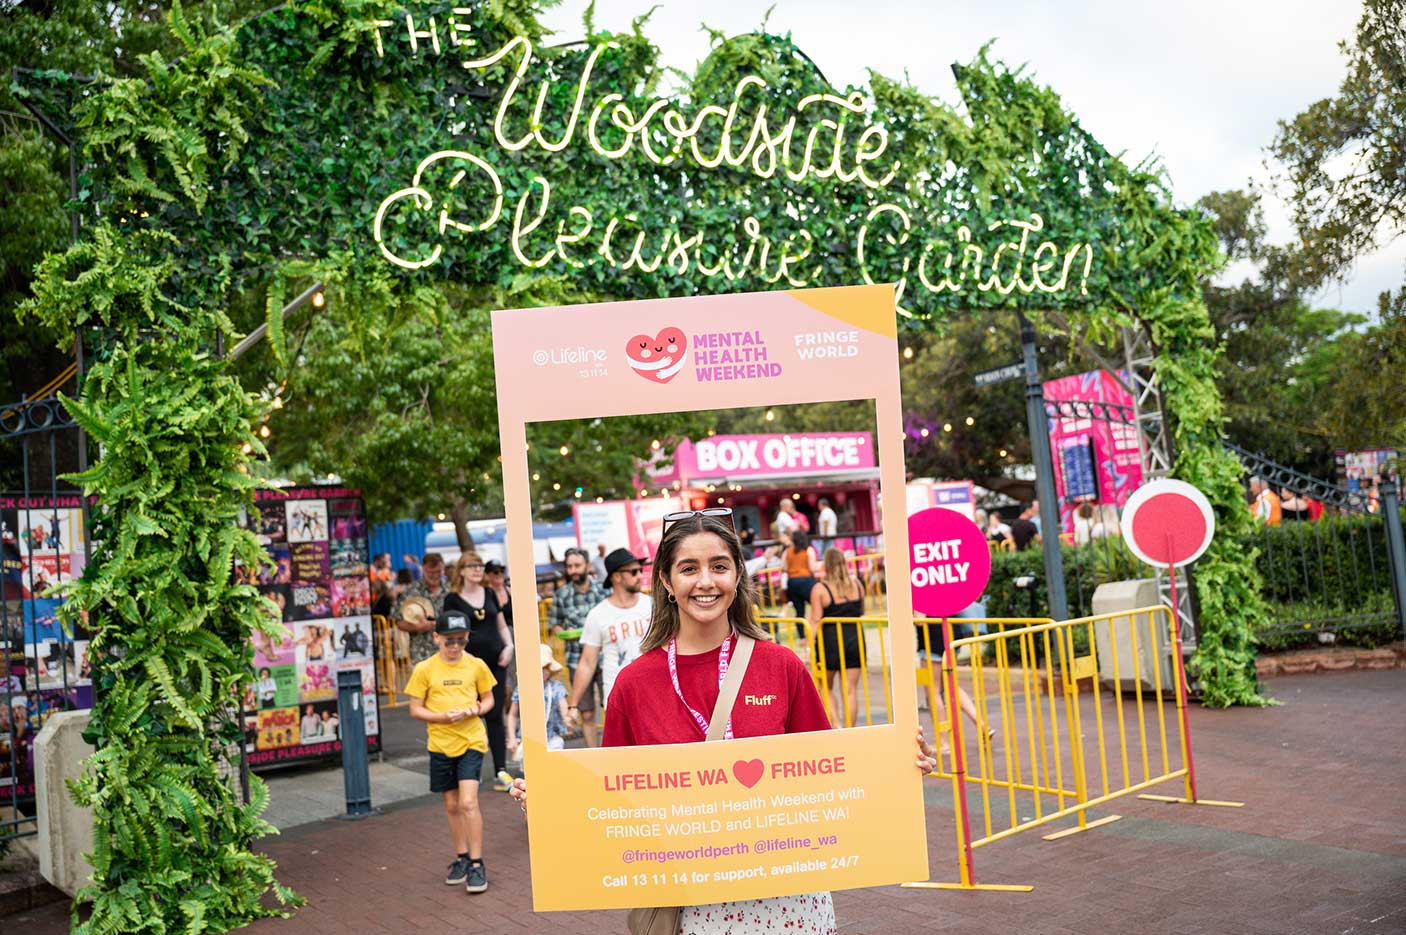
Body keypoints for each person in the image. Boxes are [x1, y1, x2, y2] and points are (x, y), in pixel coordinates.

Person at [509, 509, 937, 933]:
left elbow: (829, 773)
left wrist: (896, 765)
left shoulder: (781, 666)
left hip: (789, 900)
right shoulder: (633, 685)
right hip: (688, 906)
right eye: (688, 568)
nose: (706, 582)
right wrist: (556, 802)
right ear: (665, 581)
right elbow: (611, 798)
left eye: (719, 566)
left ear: (737, 575)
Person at [405, 609, 498, 895]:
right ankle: (461, 856)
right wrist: (443, 717)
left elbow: (489, 700)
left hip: (471, 740)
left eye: (461, 640)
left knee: (469, 803)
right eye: (449, 641)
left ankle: (477, 863)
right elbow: (415, 708)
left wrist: (475, 710)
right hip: (440, 743)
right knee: (452, 805)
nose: (456, 647)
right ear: (436, 638)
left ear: (468, 637)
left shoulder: (477, 665)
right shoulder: (424, 669)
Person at [443, 552, 516, 791]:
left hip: (495, 664)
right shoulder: (453, 599)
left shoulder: (490, 593)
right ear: (461, 571)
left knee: (495, 715)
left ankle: (500, 770)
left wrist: (509, 646)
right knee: (467, 716)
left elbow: (501, 624)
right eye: (471, 566)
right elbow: (450, 635)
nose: (477, 569)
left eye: (479, 566)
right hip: (467, 668)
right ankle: (468, 771)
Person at [568, 549, 651, 729]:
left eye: (640, 570)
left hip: (653, 693)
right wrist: (573, 705)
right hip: (618, 699)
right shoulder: (598, 615)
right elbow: (587, 663)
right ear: (617, 577)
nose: (640, 576)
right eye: (634, 572)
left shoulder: (652, 606)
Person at [546, 548, 607, 746]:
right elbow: (555, 625)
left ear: (587, 566)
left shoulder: (602, 591)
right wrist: (562, 632)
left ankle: (616, 753)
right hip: (576, 660)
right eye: (569, 566)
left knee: (613, 708)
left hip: (605, 658)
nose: (573, 570)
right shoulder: (561, 595)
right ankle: (594, 756)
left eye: (577, 565)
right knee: (586, 712)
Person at [808, 547, 865, 727]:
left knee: (824, 684)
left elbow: (815, 620)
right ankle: (851, 729)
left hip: (830, 640)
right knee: (850, 690)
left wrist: (810, 646)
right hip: (855, 637)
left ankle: (837, 725)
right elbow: (862, 610)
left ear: (826, 565)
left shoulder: (820, 589)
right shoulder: (857, 585)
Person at [506, 644, 570, 758]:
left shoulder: (556, 687)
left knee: (554, 764)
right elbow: (512, 715)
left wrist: (568, 718)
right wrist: (512, 738)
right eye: (538, 667)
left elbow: (564, 707)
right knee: (531, 771)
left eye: (545, 667)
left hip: (552, 737)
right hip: (528, 739)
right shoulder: (522, 688)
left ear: (550, 669)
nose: (542, 671)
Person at [394, 552, 449, 665]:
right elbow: (399, 622)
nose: (435, 576)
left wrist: (437, 625)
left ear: (443, 568)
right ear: (423, 569)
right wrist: (417, 627)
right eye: (431, 572)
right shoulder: (411, 592)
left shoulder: (451, 590)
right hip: (421, 654)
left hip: (449, 652)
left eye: (438, 572)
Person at [784, 530, 820, 627]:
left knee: (799, 612)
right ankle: (816, 628)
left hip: (792, 582)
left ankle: (802, 636)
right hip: (806, 581)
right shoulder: (808, 550)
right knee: (817, 605)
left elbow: (784, 567)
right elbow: (812, 568)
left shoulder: (787, 551)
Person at [483, 560, 513, 630]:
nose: (500, 574)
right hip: (494, 632)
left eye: (502, 571)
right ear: (486, 575)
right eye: (496, 572)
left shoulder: (509, 591)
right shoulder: (484, 594)